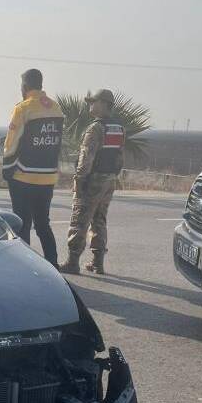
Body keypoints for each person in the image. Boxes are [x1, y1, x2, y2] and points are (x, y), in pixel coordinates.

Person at [2, 69, 63, 267]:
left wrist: (7, 170)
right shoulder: (56, 108)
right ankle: (53, 264)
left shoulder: (23, 108)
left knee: (22, 225)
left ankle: (24, 267)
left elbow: (12, 143)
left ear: (25, 86)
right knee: (43, 224)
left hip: (24, 176)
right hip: (48, 178)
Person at [59, 89, 124, 275]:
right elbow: (120, 157)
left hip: (93, 180)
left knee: (80, 219)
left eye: (93, 102)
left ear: (104, 104)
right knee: (99, 220)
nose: (90, 105)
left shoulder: (95, 128)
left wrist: (79, 180)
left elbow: (86, 157)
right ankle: (97, 262)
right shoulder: (118, 128)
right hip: (109, 179)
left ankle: (72, 262)